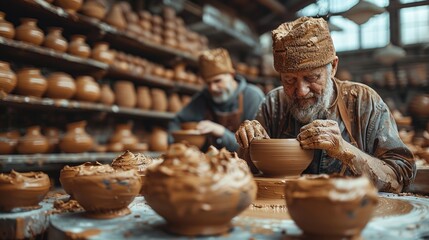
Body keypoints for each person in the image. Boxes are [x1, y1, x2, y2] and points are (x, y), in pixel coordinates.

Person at [235, 17, 416, 193]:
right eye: (289, 80)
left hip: (352, 212)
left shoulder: (364, 101)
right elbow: (244, 174)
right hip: (289, 209)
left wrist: (344, 150)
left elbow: (401, 178)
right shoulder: (273, 104)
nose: (301, 91)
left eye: (311, 77)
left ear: (334, 67)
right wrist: (248, 147)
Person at [169, 48, 265, 152]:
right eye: (208, 83)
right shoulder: (203, 98)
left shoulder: (252, 97)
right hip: (209, 163)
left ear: (231, 75)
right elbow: (176, 123)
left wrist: (222, 132)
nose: (212, 88)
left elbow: (257, 146)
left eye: (217, 81)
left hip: (243, 164)